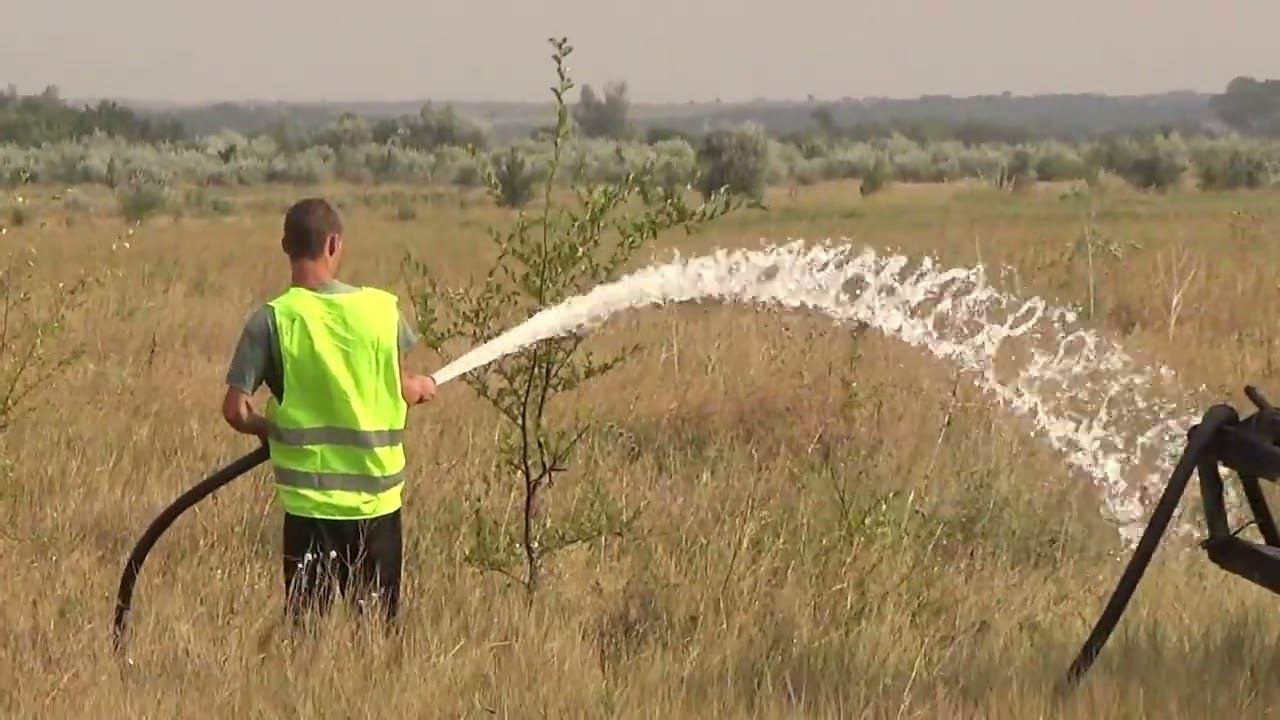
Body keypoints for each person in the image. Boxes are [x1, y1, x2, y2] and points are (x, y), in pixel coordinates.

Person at [221, 197, 437, 626]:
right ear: (333, 243)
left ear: (286, 246)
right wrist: (422, 388)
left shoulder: (272, 321)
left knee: (307, 630)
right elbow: (402, 387)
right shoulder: (382, 311)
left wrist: (269, 428)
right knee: (376, 631)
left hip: (309, 511)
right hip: (376, 508)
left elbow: (235, 410)